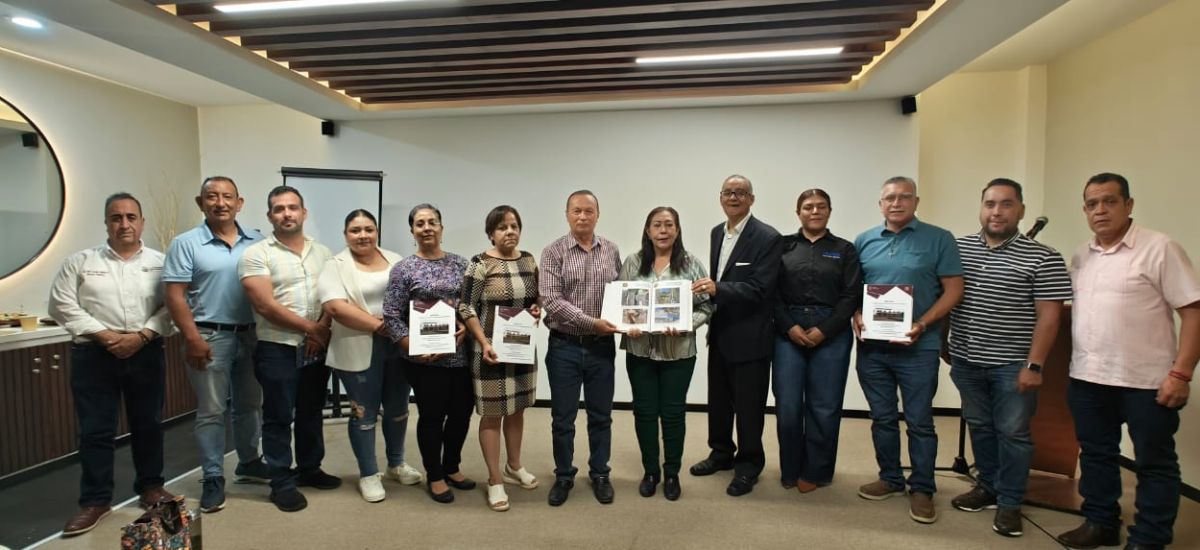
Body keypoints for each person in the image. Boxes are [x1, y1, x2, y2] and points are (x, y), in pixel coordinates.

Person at [1055, 173, 1199, 550]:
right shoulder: (1081, 255)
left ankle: (1149, 538)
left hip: (1147, 381)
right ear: (1084, 210)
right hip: (1088, 377)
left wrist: (1181, 373)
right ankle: (1100, 523)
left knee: (1154, 463)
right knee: (1097, 455)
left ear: (1128, 205)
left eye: (1109, 201)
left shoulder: (1160, 248)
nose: (1100, 210)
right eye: (1091, 204)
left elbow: (1194, 312)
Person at [947, 178, 1072, 537]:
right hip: (967, 360)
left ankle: (1010, 503)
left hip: (1012, 365)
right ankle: (988, 486)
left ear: (1021, 210)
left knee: (1014, 434)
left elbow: (1050, 317)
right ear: (981, 208)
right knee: (981, 427)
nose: (996, 212)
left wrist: (1034, 365)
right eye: (990, 204)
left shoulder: (1044, 257)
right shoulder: (959, 249)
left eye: (1005, 204)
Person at [49, 192, 175, 537]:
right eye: (116, 218)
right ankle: (95, 500)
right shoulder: (80, 262)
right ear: (106, 222)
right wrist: (104, 335)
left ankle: (151, 487)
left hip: (146, 350)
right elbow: (61, 305)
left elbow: (173, 306)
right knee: (95, 430)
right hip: (93, 355)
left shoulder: (161, 262)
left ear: (142, 222)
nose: (124, 224)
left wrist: (143, 335)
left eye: (131, 217)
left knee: (148, 423)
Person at [852, 176, 963, 524]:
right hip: (873, 349)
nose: (896, 203)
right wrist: (856, 314)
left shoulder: (939, 239)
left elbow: (953, 290)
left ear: (916, 202)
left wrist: (923, 324)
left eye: (904, 197)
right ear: (880, 204)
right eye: (889, 198)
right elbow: (853, 290)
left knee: (919, 422)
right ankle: (890, 478)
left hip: (919, 348)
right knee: (882, 418)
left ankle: (923, 488)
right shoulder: (864, 241)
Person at [162, 176, 269, 514]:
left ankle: (250, 461)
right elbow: (174, 295)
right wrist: (191, 337)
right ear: (200, 203)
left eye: (227, 197)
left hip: (252, 335)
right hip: (209, 335)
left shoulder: (258, 241)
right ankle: (212, 477)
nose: (220, 202)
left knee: (250, 404)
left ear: (240, 203)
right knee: (211, 411)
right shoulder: (186, 243)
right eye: (212, 197)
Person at [239, 185, 340, 513]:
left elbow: (332, 295)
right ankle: (281, 481)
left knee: (311, 410)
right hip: (277, 347)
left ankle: (310, 469)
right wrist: (312, 328)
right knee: (278, 415)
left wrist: (322, 328)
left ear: (303, 213)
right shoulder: (257, 254)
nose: (287, 213)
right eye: (279, 209)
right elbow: (265, 305)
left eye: (293, 207)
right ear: (270, 215)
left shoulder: (323, 252)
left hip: (316, 346)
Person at [317, 209, 423, 504]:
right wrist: (382, 326)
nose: (362, 235)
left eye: (368, 229)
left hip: (398, 346)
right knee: (363, 411)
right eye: (355, 230)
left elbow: (416, 297)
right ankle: (368, 473)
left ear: (376, 231)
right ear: (345, 234)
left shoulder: (397, 259)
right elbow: (336, 307)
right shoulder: (334, 265)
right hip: (359, 344)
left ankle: (396, 463)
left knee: (398, 407)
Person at [689, 174, 782, 497]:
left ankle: (749, 465)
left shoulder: (768, 237)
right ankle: (721, 453)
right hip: (721, 333)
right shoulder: (718, 232)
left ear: (751, 199)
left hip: (751, 338)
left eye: (740, 193)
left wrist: (718, 288)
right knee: (718, 401)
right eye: (728, 192)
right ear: (720, 197)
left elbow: (761, 289)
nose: (733, 197)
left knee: (749, 407)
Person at [383, 204, 475, 504]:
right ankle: (435, 474)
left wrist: (465, 327)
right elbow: (392, 315)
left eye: (432, 222)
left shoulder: (462, 264)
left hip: (460, 356)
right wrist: (411, 346)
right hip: (423, 361)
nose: (427, 228)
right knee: (433, 416)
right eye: (419, 223)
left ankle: (452, 467)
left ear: (441, 227)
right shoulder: (404, 269)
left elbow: (471, 304)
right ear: (412, 231)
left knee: (461, 415)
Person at [618, 207, 712, 501]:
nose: (663, 230)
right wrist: (626, 325)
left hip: (679, 352)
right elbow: (622, 305)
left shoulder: (691, 264)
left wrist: (686, 325)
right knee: (644, 412)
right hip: (640, 350)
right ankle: (650, 472)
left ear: (677, 229)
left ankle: (672, 473)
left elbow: (708, 306)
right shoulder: (633, 263)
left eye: (669, 225)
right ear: (648, 230)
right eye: (657, 225)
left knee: (673, 414)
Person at [772, 189, 861, 494]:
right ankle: (791, 469)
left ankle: (818, 471)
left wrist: (825, 329)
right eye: (808, 207)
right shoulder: (782, 246)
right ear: (798, 212)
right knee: (788, 405)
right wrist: (789, 326)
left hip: (831, 331)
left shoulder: (845, 249)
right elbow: (771, 292)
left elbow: (851, 295)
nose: (814, 211)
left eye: (821, 206)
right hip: (788, 331)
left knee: (824, 406)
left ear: (829, 211)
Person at [539, 190, 622, 506]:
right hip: (565, 347)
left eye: (589, 211)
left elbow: (622, 294)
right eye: (577, 211)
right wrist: (592, 322)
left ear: (598, 214)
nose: (583, 216)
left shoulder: (612, 250)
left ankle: (600, 473)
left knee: (601, 415)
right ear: (567, 214)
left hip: (602, 348)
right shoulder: (553, 252)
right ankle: (564, 475)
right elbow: (551, 300)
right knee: (563, 418)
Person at [459, 205, 542, 512]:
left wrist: (537, 310)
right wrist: (484, 342)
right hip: (490, 351)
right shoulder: (480, 264)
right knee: (493, 414)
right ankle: (495, 479)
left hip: (520, 347)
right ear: (491, 233)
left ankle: (514, 466)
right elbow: (466, 307)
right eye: (502, 227)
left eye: (514, 226)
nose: (510, 232)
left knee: (517, 409)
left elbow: (535, 301)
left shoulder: (529, 260)